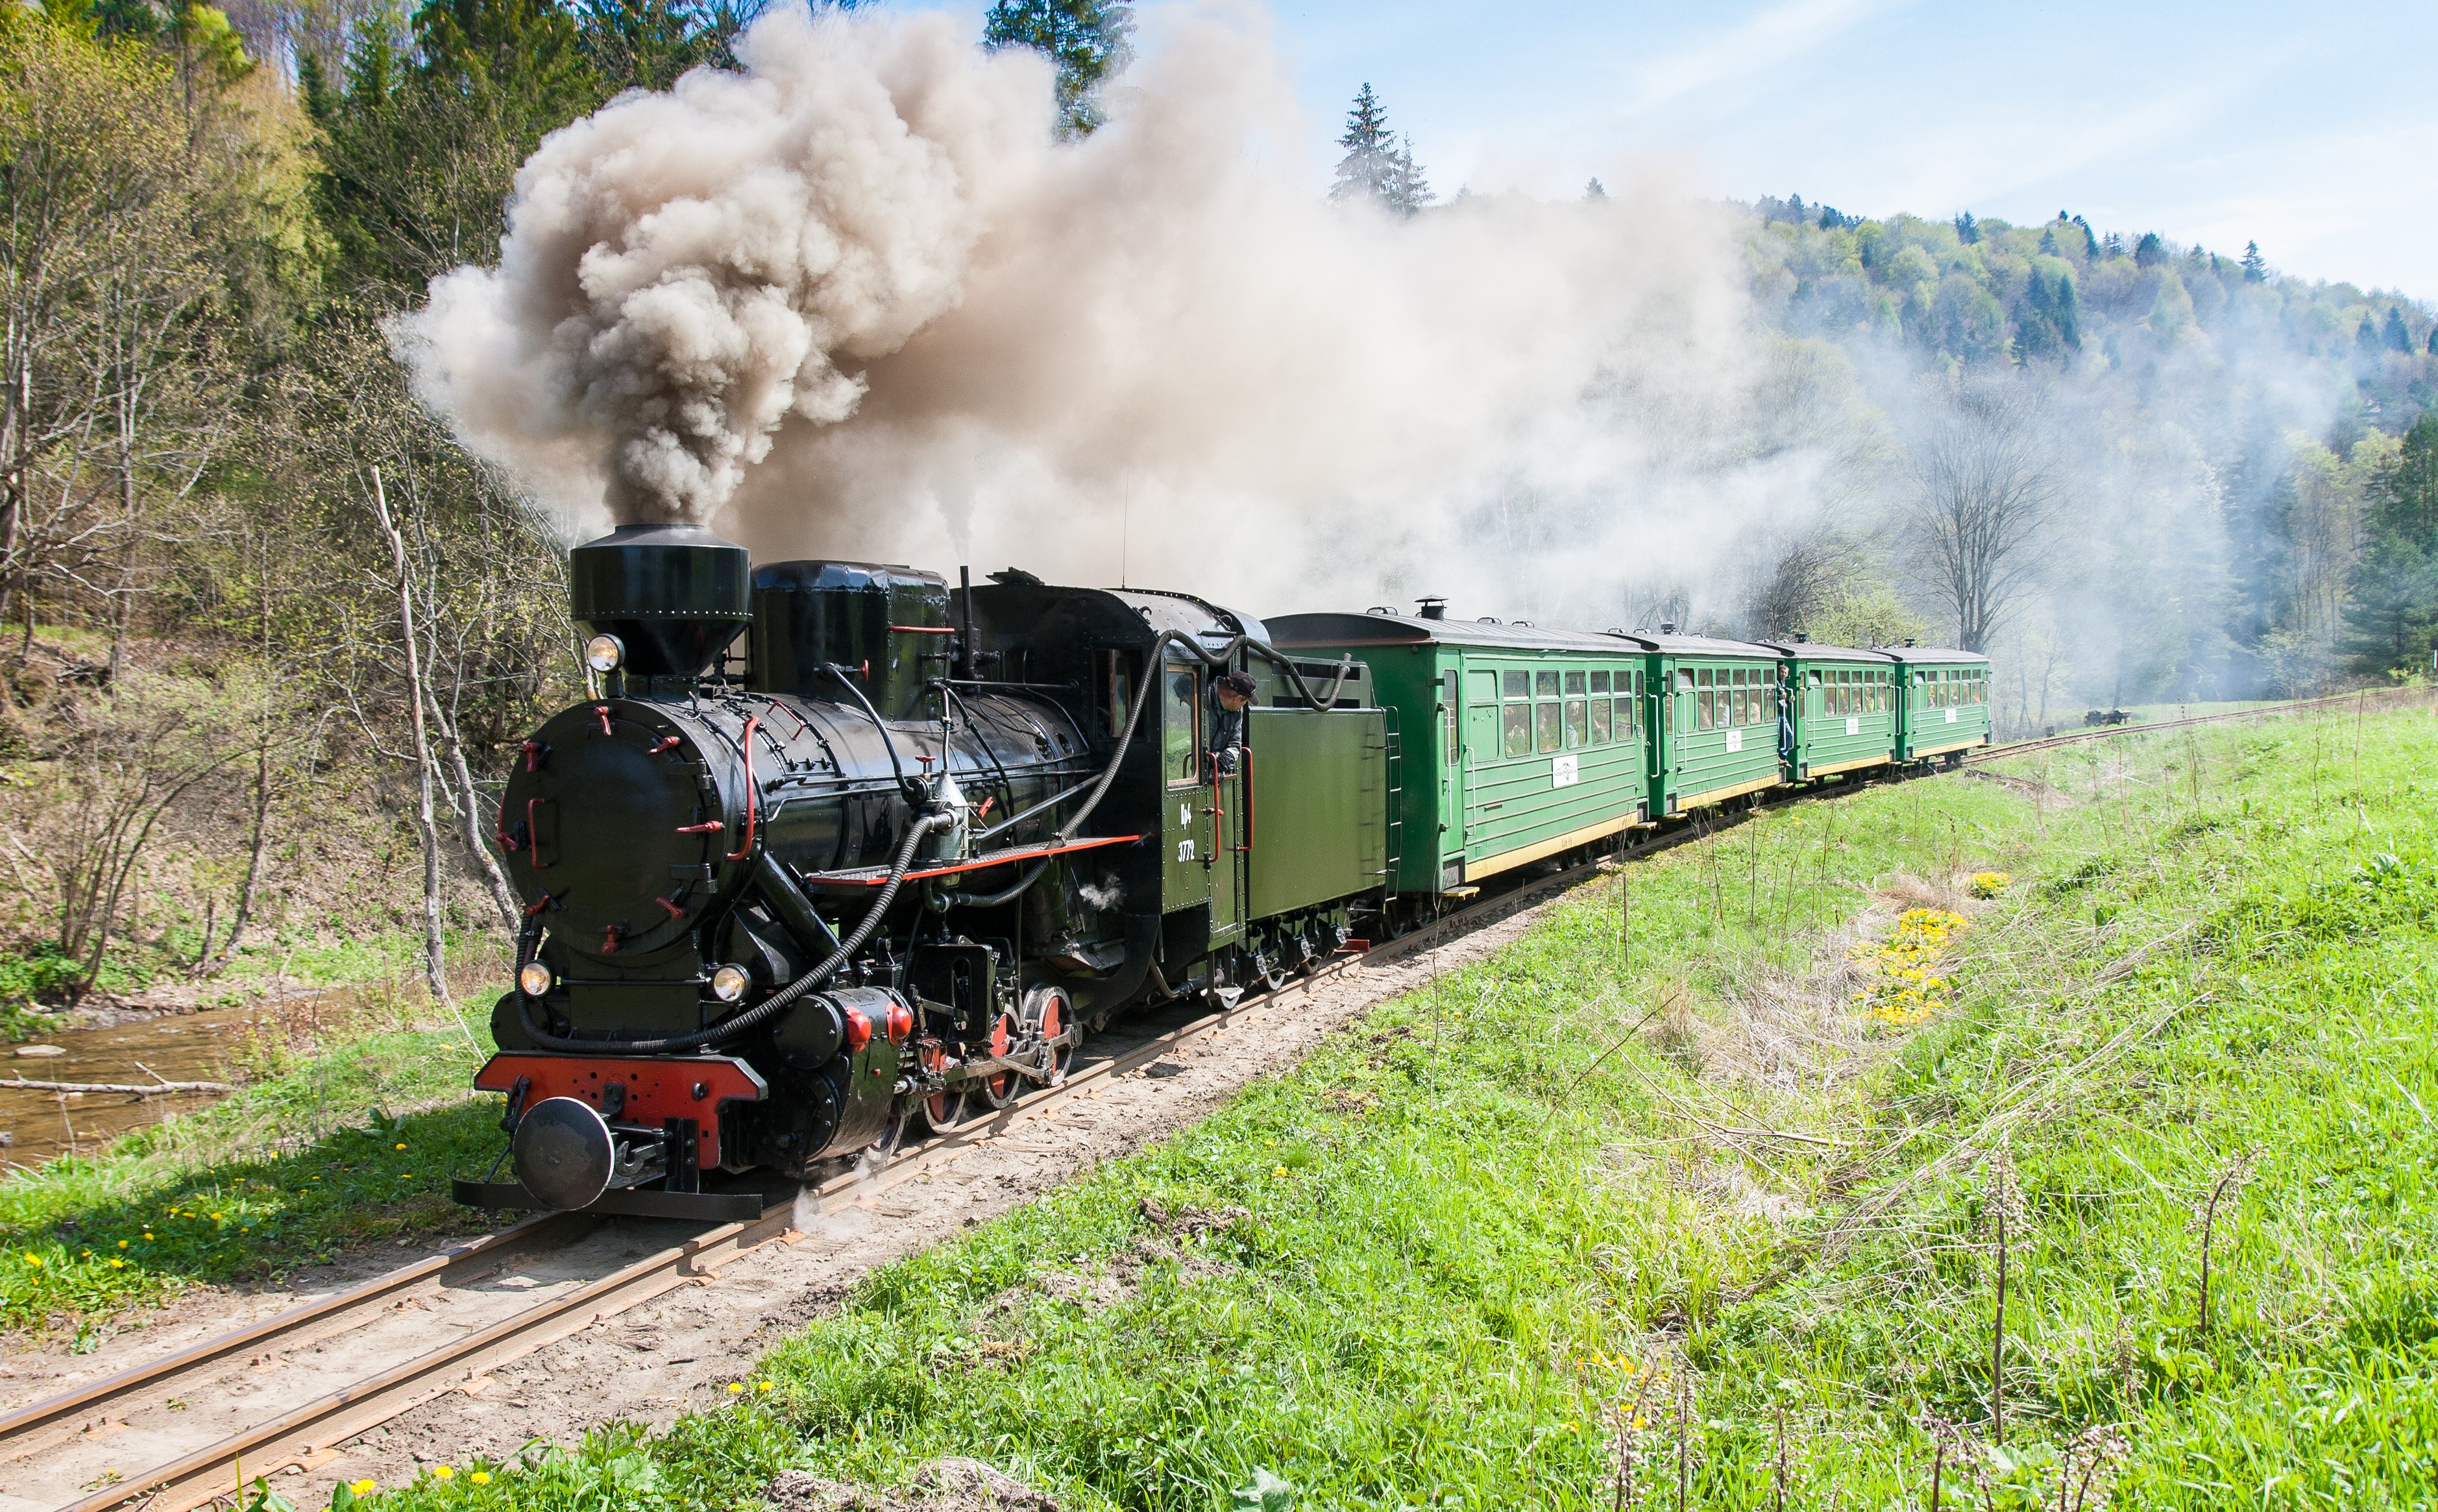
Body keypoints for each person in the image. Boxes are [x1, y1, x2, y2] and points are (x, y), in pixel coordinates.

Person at [1209, 671, 1256, 776]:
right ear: (1238, 698)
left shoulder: (1238, 711)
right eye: (1245, 702)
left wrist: (1221, 763)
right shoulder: (1203, 697)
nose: (1243, 706)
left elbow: (1235, 745)